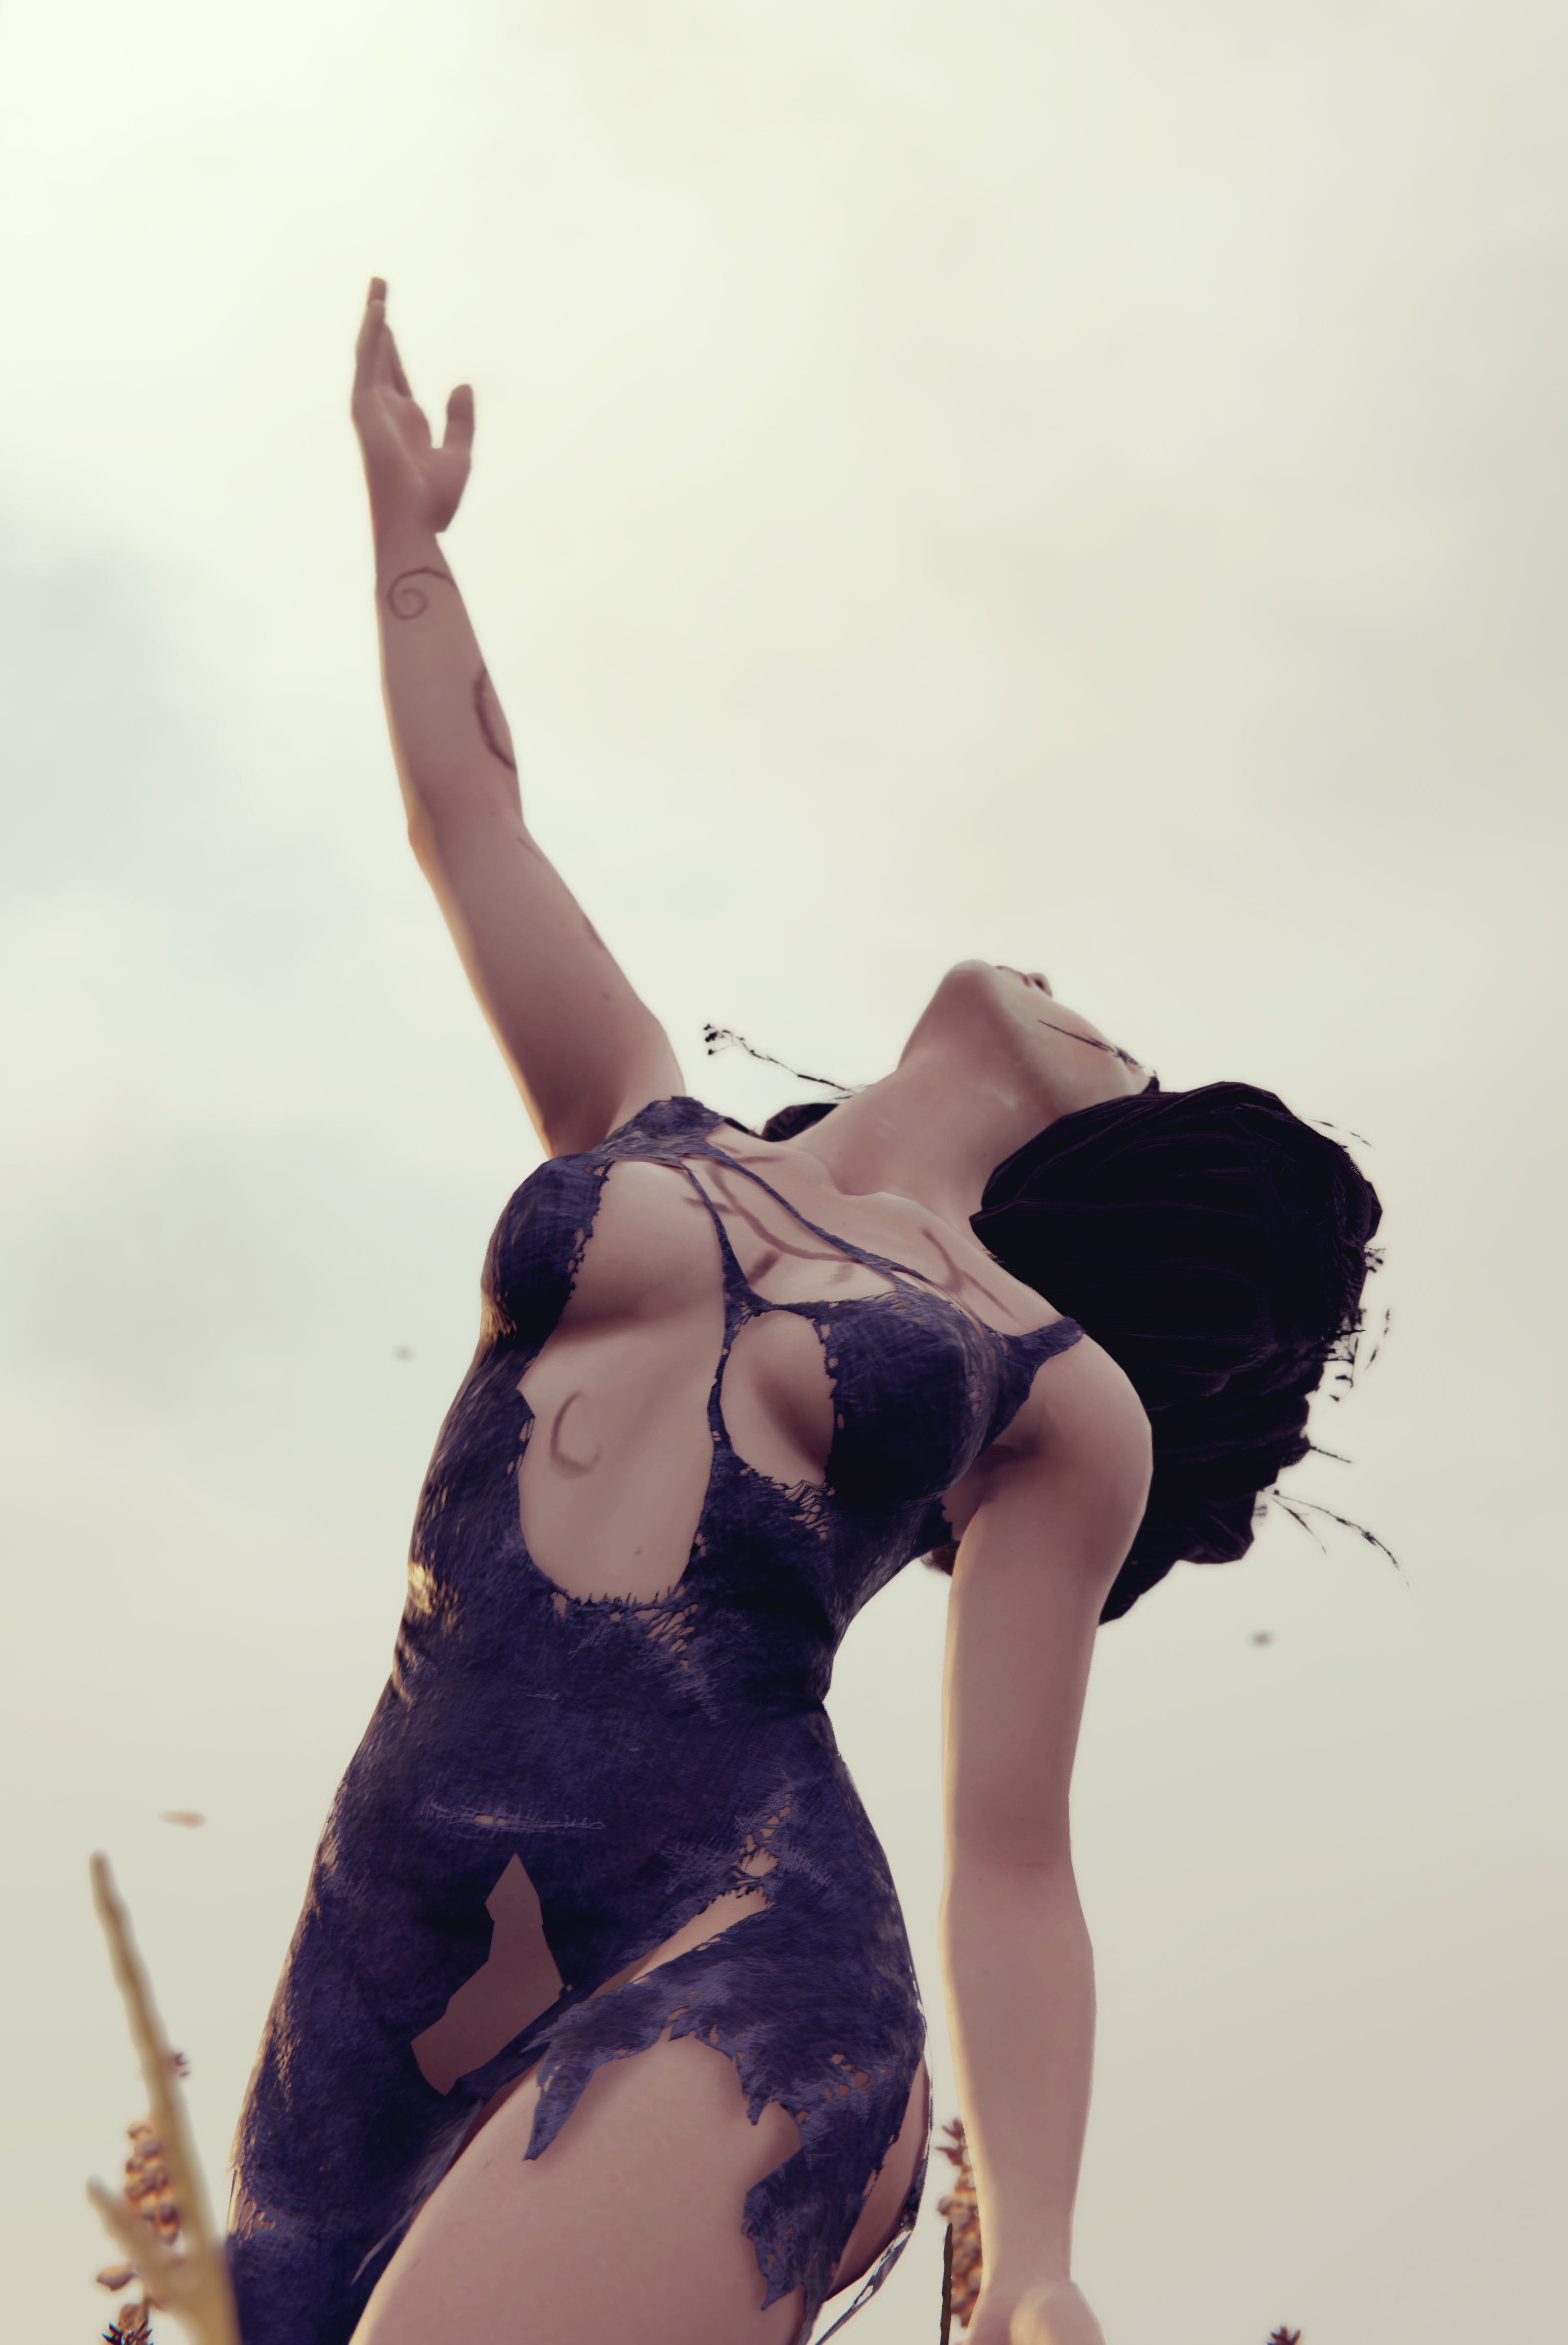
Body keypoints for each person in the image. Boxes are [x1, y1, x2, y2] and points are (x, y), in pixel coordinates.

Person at [226, 282, 1380, 2345]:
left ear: (1107, 1140)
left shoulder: (1046, 1384)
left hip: (740, 1958)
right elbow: (470, 823)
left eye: (1111, 1033)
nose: (1064, 988)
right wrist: (409, 540)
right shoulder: (637, 1114)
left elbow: (1010, 1851)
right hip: (379, 1961)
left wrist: (1034, 2255)